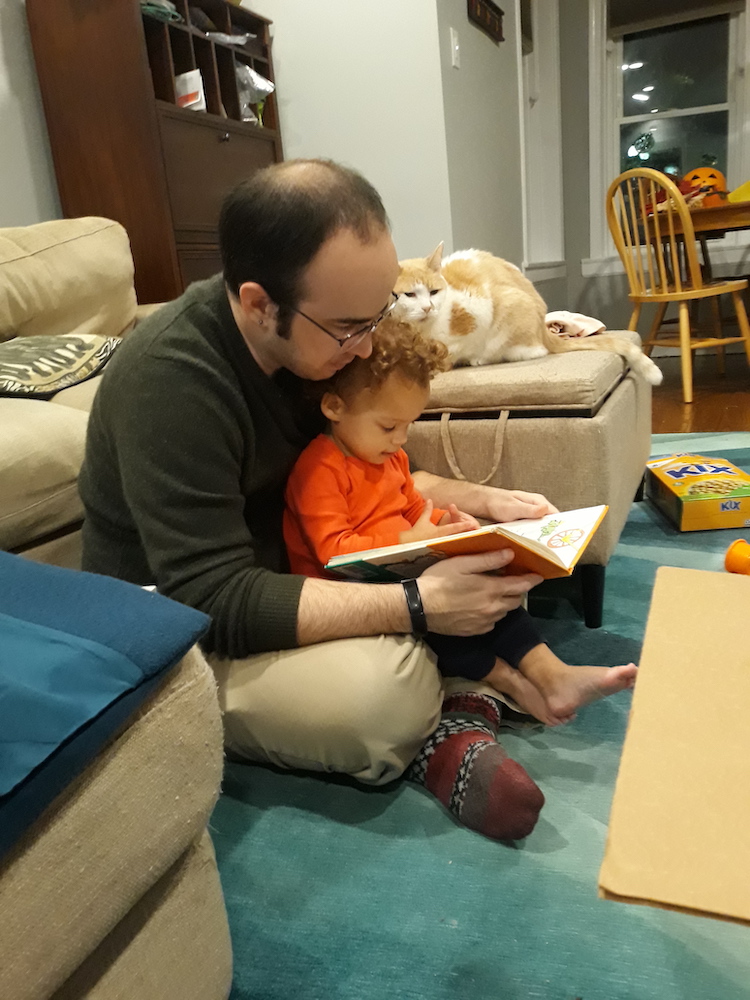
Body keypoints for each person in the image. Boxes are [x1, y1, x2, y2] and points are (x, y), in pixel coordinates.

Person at [80, 158, 636, 842]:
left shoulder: (314, 347)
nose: (368, 346)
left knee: (482, 578)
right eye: (349, 327)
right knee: (382, 697)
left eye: (377, 315)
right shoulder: (172, 383)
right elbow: (211, 599)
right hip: (175, 627)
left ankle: (472, 701)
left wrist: (486, 505)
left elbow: (379, 475)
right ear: (259, 305)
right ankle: (452, 726)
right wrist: (416, 604)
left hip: (300, 574)